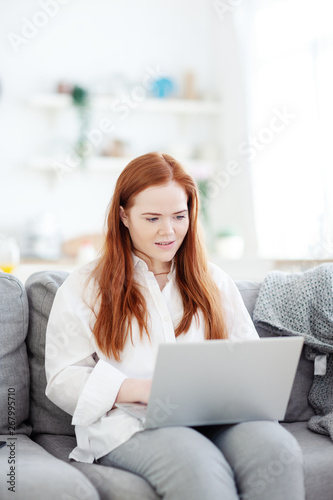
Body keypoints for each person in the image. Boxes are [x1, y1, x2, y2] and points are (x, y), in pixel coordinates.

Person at [45, 152, 305, 500]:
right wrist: (134, 389)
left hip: (216, 416)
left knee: (277, 451)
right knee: (196, 465)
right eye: (151, 218)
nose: (168, 231)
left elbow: (248, 359)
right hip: (129, 424)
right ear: (123, 215)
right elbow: (62, 378)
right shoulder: (85, 286)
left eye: (179, 216)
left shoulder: (214, 280)